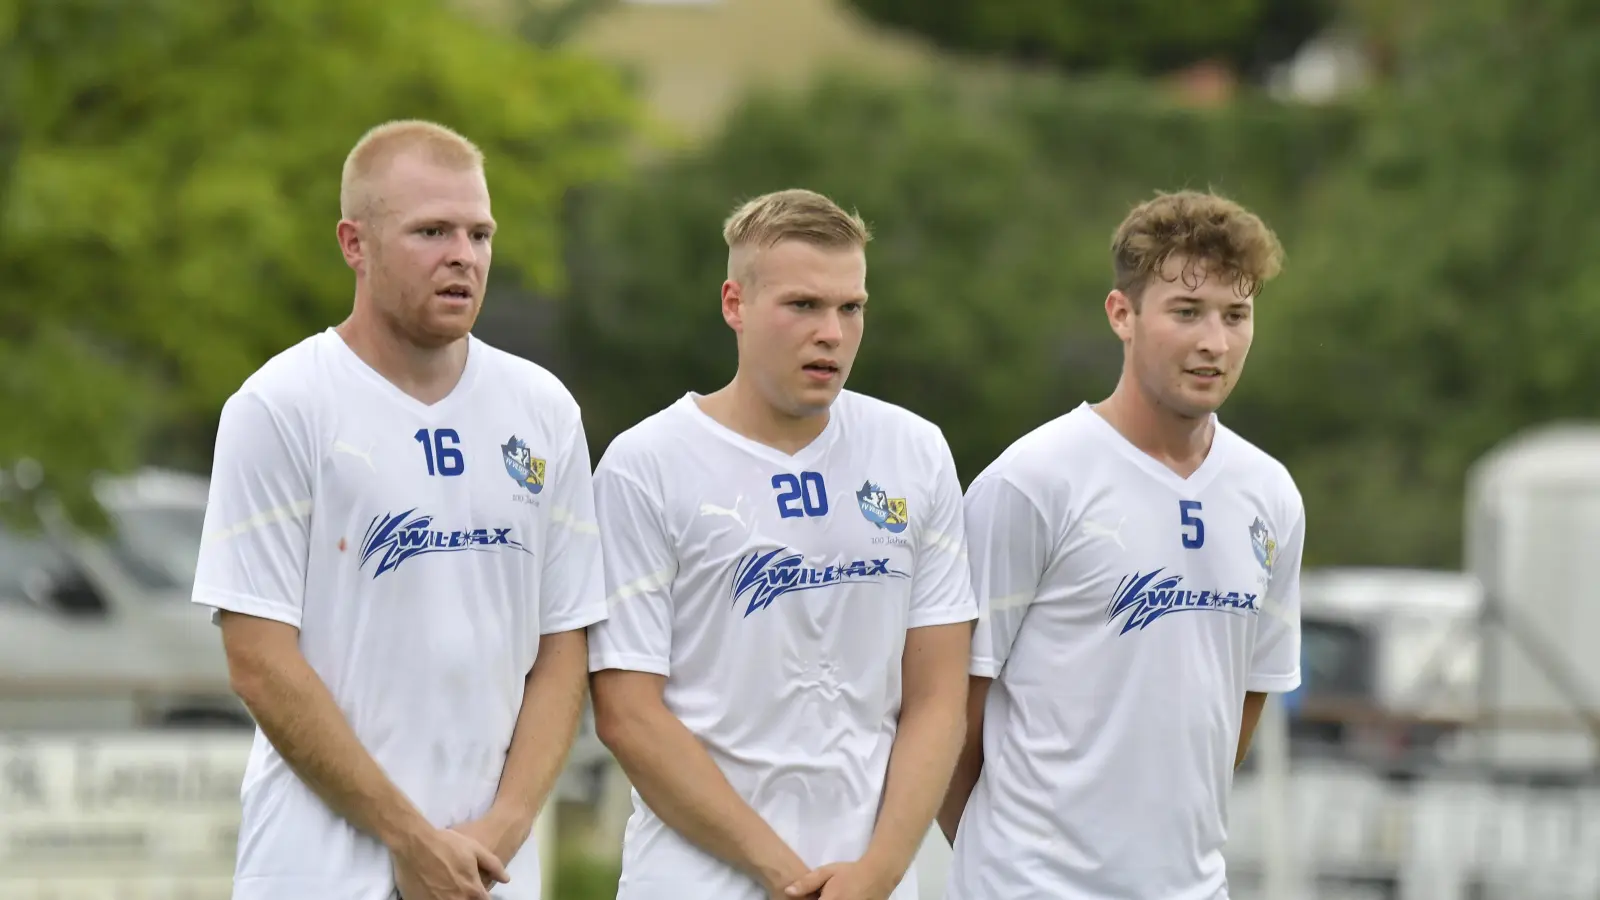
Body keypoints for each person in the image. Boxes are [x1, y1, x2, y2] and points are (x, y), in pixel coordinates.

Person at [190, 119, 608, 900]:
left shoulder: (542, 409)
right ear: (355, 243)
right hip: (316, 873)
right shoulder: (281, 406)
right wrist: (409, 840)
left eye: (480, 233)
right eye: (431, 231)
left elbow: (564, 645)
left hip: (490, 872)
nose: (464, 255)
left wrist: (500, 831)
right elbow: (258, 661)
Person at [585, 188, 976, 900]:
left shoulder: (916, 452)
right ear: (735, 304)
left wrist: (879, 872)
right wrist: (788, 877)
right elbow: (628, 714)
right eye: (803, 306)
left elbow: (938, 697)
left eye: (850, 308)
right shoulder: (646, 464)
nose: (831, 331)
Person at [937, 189, 1303, 899]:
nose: (1215, 342)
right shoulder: (1032, 481)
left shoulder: (1272, 494)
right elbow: (951, 710)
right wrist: (1002, 859)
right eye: (1187, 312)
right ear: (1122, 315)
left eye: (1236, 315)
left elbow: (1243, 701)